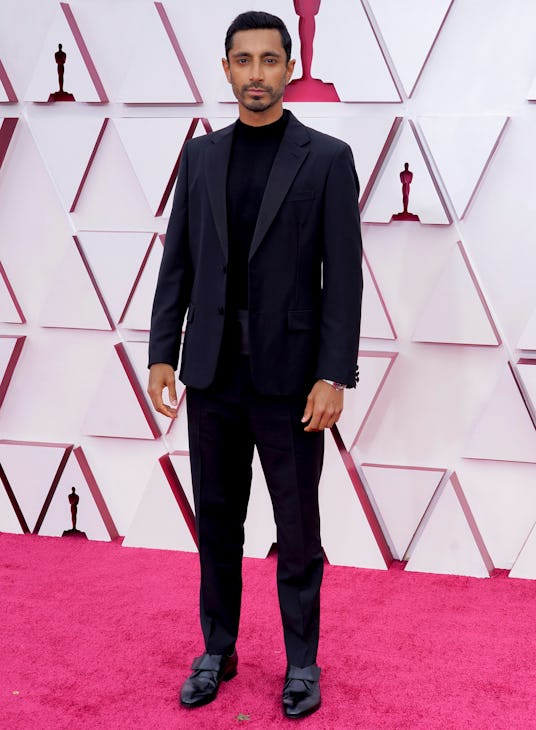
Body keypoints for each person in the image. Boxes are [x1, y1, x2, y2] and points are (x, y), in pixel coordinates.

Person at [148, 10, 362, 720]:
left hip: (293, 381)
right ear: (227, 69)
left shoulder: (327, 159)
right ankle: (218, 650)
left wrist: (334, 374)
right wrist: (160, 355)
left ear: (289, 68)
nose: (257, 74)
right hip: (210, 376)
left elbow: (344, 277)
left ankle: (302, 662)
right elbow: (175, 263)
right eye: (244, 61)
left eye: (271, 61)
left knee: (298, 529)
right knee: (217, 522)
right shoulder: (201, 159)